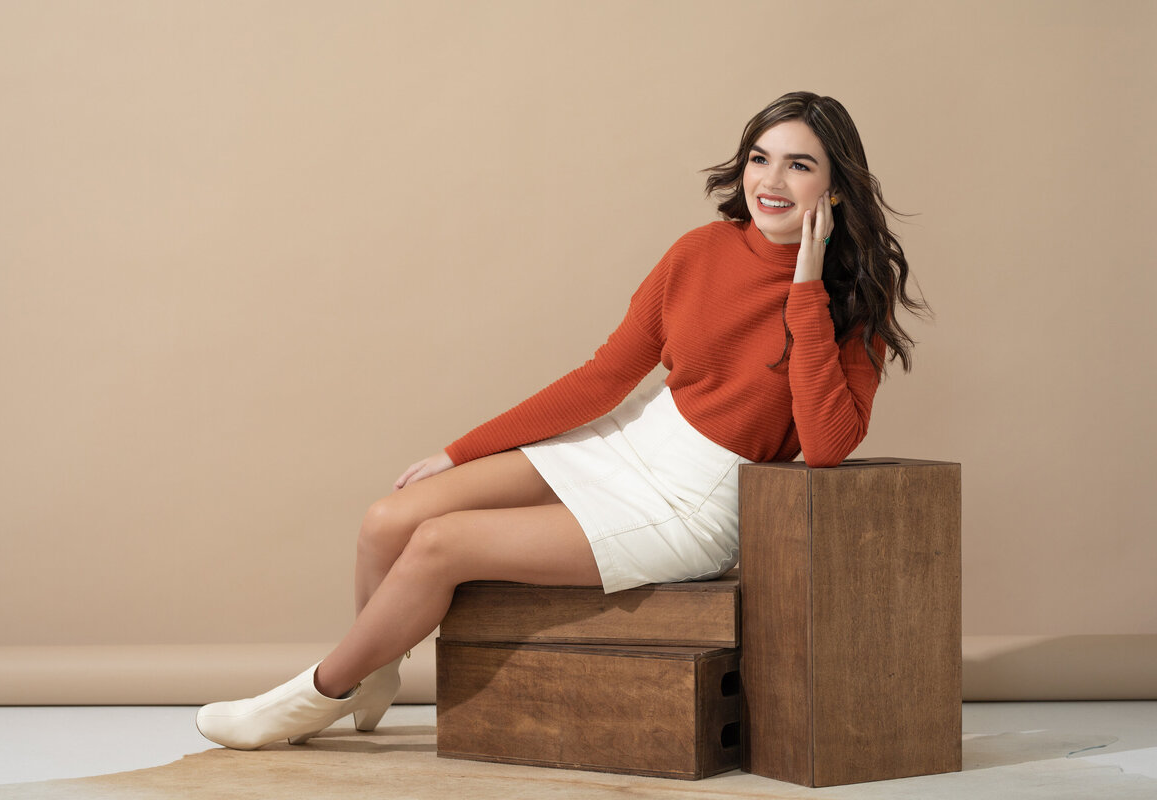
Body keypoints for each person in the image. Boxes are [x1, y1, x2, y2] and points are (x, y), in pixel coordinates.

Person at [195, 91, 926, 750]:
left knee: (439, 545)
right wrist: (460, 452)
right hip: (633, 438)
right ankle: (377, 665)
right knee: (387, 520)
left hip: (692, 498)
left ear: (834, 185)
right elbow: (605, 376)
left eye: (799, 165)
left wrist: (805, 285)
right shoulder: (699, 251)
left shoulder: (849, 298)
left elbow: (826, 447)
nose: (770, 182)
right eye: (760, 158)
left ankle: (314, 697)